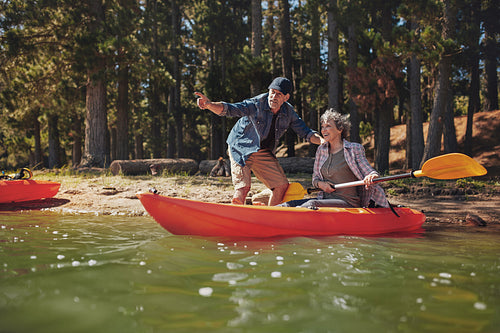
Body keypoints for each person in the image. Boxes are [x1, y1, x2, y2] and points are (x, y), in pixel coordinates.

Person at [195, 77, 324, 206]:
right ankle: (236, 216)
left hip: (262, 151)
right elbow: (230, 109)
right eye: (272, 92)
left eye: (278, 94)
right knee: (243, 187)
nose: (273, 96)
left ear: (286, 97)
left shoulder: (289, 112)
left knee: (281, 186)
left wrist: (323, 142)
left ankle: (271, 217)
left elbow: (306, 133)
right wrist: (209, 105)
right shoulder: (256, 103)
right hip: (240, 147)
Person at [280, 108, 389, 209]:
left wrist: (372, 176)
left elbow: (369, 171)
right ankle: (268, 213)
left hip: (348, 203)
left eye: (328, 126)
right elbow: (315, 178)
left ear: (340, 129)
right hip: (324, 200)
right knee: (290, 204)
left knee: (311, 204)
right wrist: (320, 184)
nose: (323, 130)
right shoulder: (321, 150)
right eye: (322, 127)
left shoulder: (354, 149)